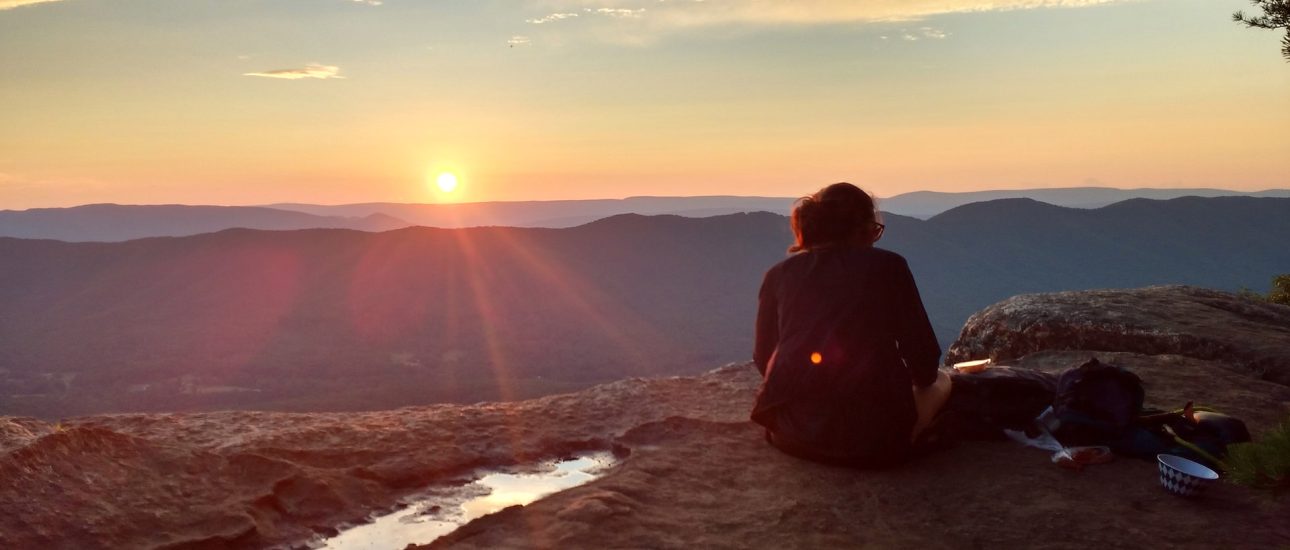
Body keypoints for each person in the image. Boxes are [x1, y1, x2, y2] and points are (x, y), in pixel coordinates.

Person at [751, 182, 951, 468]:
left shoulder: (778, 274)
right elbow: (923, 359)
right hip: (872, 442)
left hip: (791, 435)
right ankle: (912, 432)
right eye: (874, 229)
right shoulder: (888, 266)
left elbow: (763, 356)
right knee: (943, 381)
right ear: (863, 228)